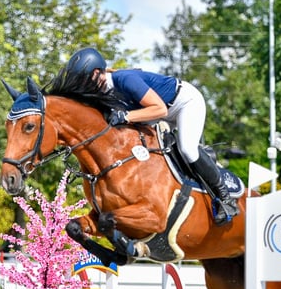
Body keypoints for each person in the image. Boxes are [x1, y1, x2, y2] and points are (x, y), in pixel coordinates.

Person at [61, 47, 238, 224]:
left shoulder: (125, 79)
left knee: (188, 149)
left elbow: (159, 108)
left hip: (182, 103)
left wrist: (126, 116)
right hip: (159, 115)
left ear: (97, 72)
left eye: (84, 80)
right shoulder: (102, 94)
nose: (82, 86)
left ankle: (225, 199)